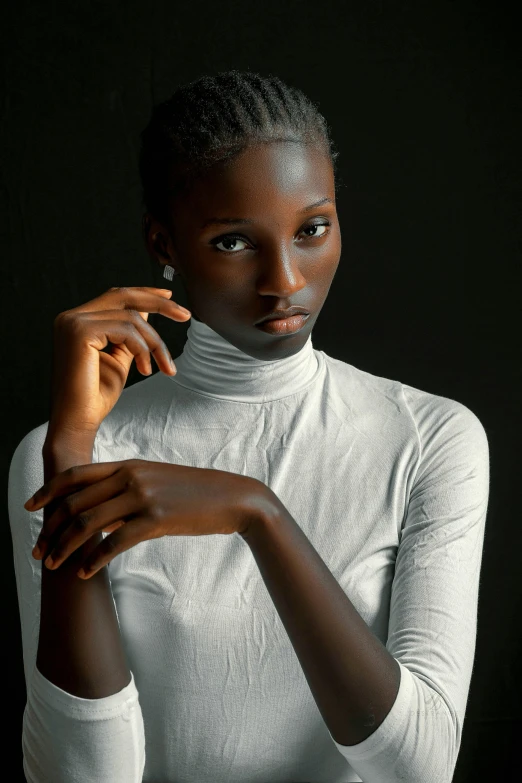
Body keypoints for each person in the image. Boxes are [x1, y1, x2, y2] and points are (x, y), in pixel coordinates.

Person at [8, 70, 490, 783]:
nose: (286, 281)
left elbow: (421, 766)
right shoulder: (71, 455)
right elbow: (86, 775)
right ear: (162, 241)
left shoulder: (430, 439)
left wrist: (256, 512)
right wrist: (72, 453)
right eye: (235, 242)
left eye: (311, 230)